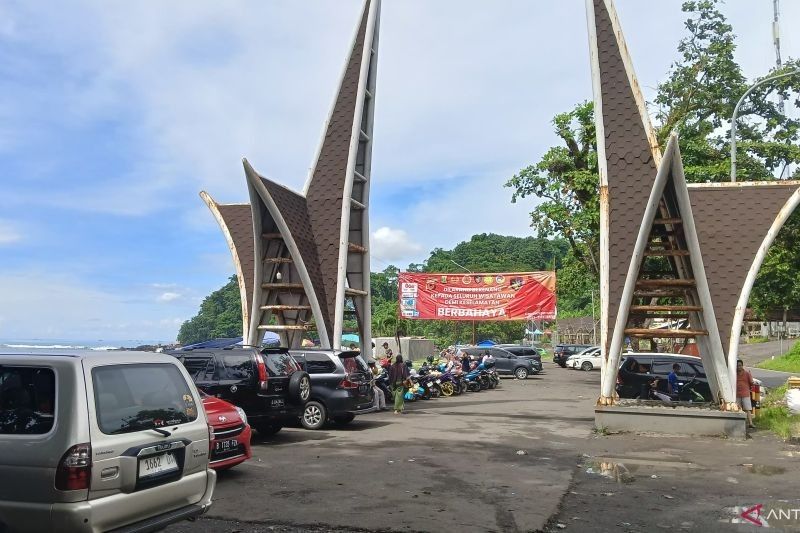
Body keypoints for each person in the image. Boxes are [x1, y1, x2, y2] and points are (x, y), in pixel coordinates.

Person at [736, 359, 755, 429]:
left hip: (745, 394)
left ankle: (750, 423)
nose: (739, 367)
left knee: (748, 409)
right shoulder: (734, 374)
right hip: (737, 394)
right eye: (737, 366)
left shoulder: (747, 373)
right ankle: (740, 424)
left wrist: (751, 385)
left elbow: (751, 382)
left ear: (742, 366)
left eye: (740, 366)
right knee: (738, 409)